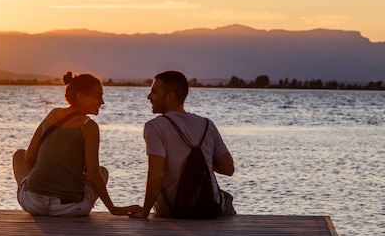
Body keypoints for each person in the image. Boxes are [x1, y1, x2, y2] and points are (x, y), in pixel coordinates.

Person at [13, 72, 140, 217]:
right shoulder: (89, 126)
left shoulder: (52, 114)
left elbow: (29, 158)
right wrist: (113, 209)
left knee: (19, 155)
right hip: (69, 208)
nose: (102, 102)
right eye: (97, 96)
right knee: (102, 172)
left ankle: (40, 190)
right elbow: (93, 175)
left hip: (32, 203)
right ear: (80, 97)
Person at [130, 70, 236, 219]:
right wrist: (203, 160)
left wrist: (145, 210)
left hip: (172, 208)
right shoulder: (206, 124)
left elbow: (156, 174)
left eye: (154, 92)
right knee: (227, 200)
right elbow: (228, 168)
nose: (149, 97)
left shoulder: (154, 127)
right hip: (208, 205)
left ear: (170, 96)